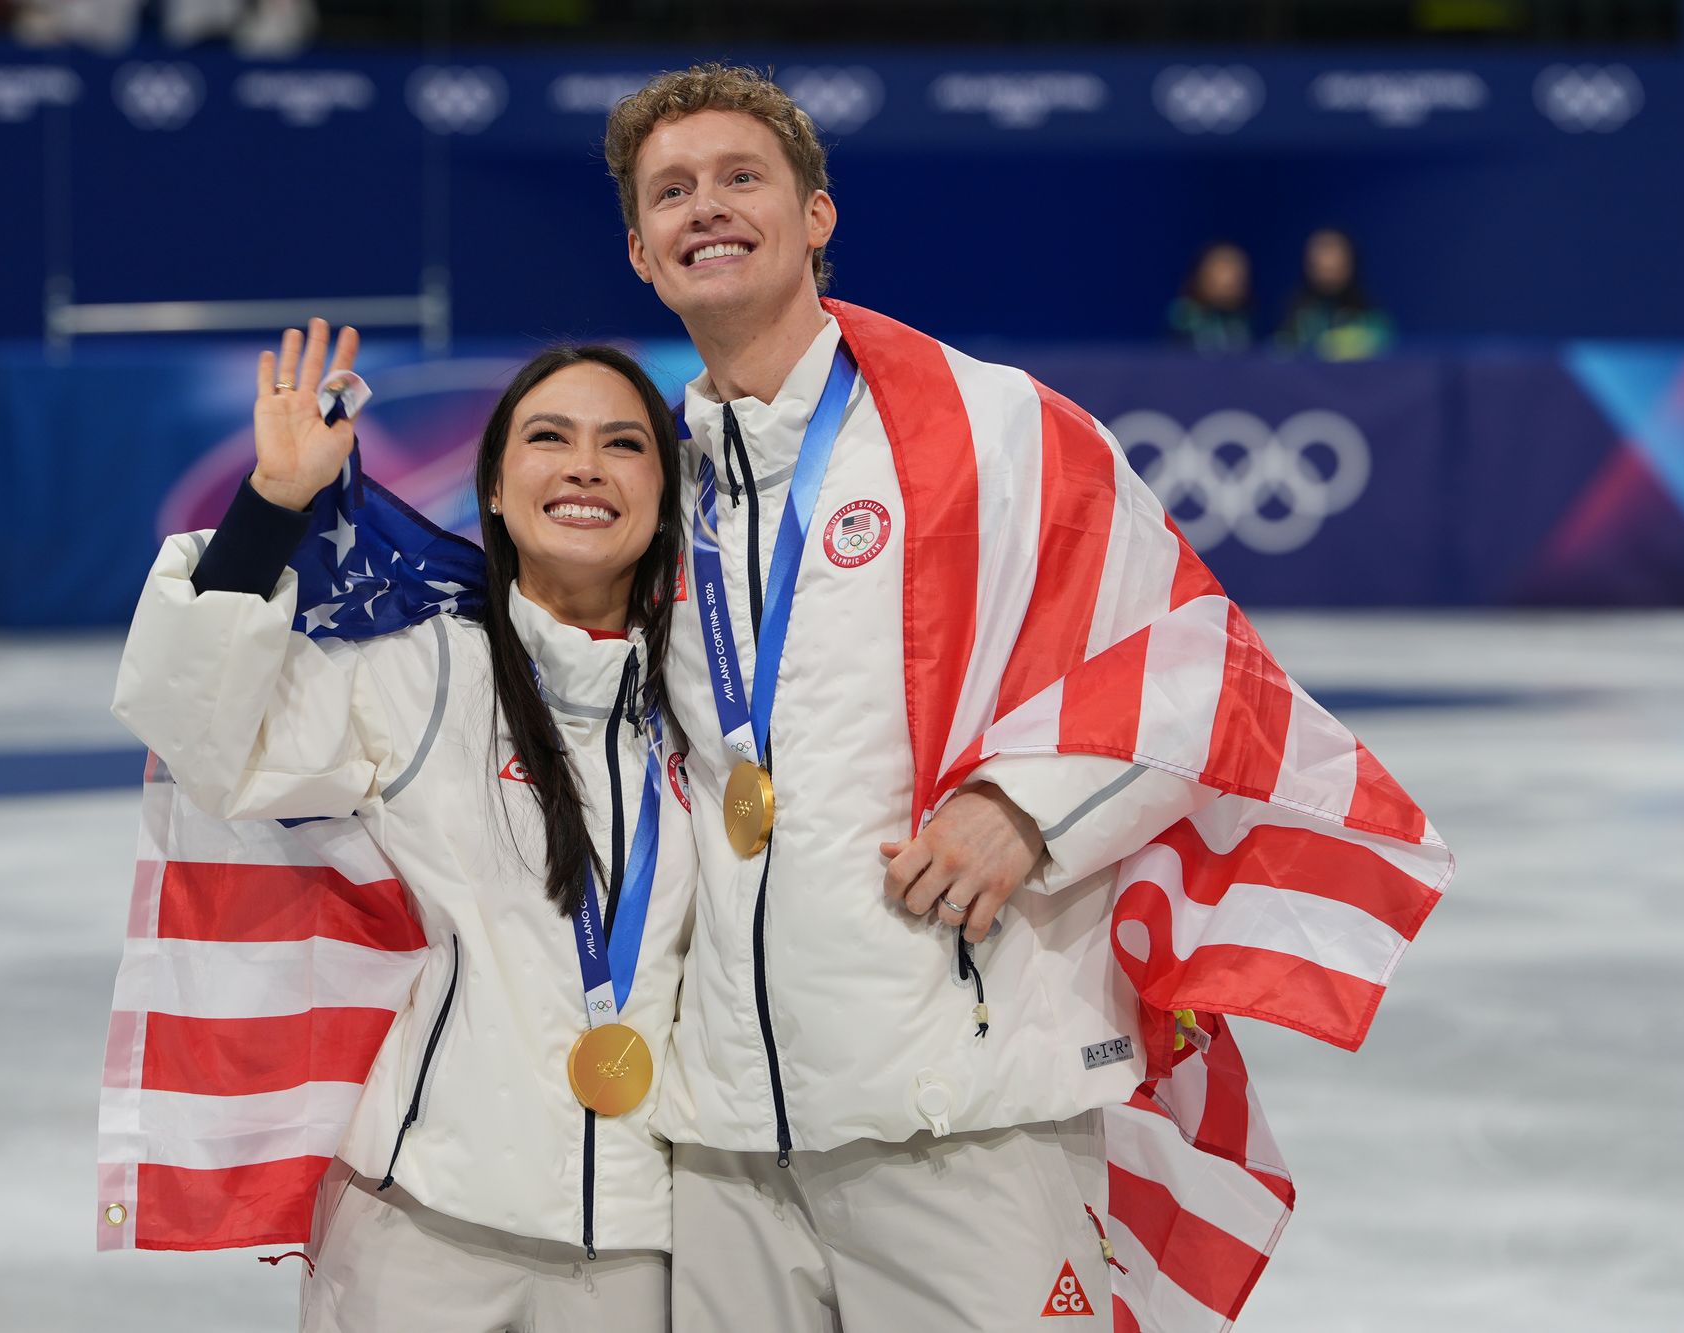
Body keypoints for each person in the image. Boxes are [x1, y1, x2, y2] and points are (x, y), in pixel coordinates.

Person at [601, 64, 1450, 1333]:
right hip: (720, 1138)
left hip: (957, 1117)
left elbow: (1191, 656)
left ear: (816, 215)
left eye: (740, 178)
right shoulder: (644, 487)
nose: (705, 208)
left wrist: (1029, 806)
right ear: (639, 250)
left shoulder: (990, 426)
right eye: (672, 192)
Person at [109, 323, 695, 1330]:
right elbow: (206, 727)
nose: (585, 466)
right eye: (548, 438)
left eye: (624, 442)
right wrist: (273, 505)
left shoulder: (714, 707)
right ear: (496, 493)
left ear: (664, 494)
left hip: (653, 1242)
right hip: (423, 1229)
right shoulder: (432, 673)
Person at [1276, 226, 1394, 360]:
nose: (1328, 275)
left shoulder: (1370, 318)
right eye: (1321, 267)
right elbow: (1280, 352)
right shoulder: (1296, 318)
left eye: (1335, 268)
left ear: (1350, 264)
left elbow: (1387, 342)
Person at [1167, 239, 1255, 353]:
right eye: (1221, 271)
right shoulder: (1184, 319)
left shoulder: (1246, 321)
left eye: (1237, 276)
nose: (1228, 281)